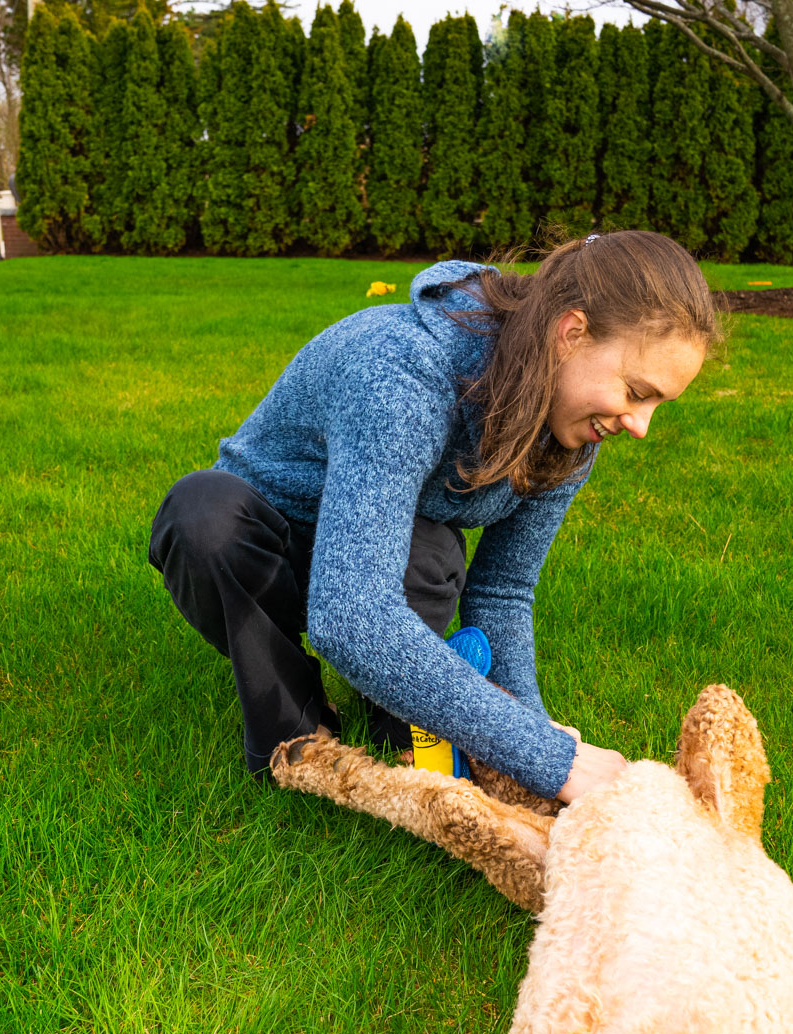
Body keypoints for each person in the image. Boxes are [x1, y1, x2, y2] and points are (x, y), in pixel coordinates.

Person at [148, 232, 715, 805]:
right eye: (636, 392)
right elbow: (349, 616)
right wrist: (551, 757)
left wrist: (530, 736)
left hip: (385, 552)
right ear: (571, 334)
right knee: (204, 516)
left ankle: (395, 713)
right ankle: (297, 725)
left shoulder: (572, 432)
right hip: (267, 548)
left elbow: (501, 591)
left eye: (656, 405)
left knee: (432, 561)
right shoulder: (402, 372)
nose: (640, 425)